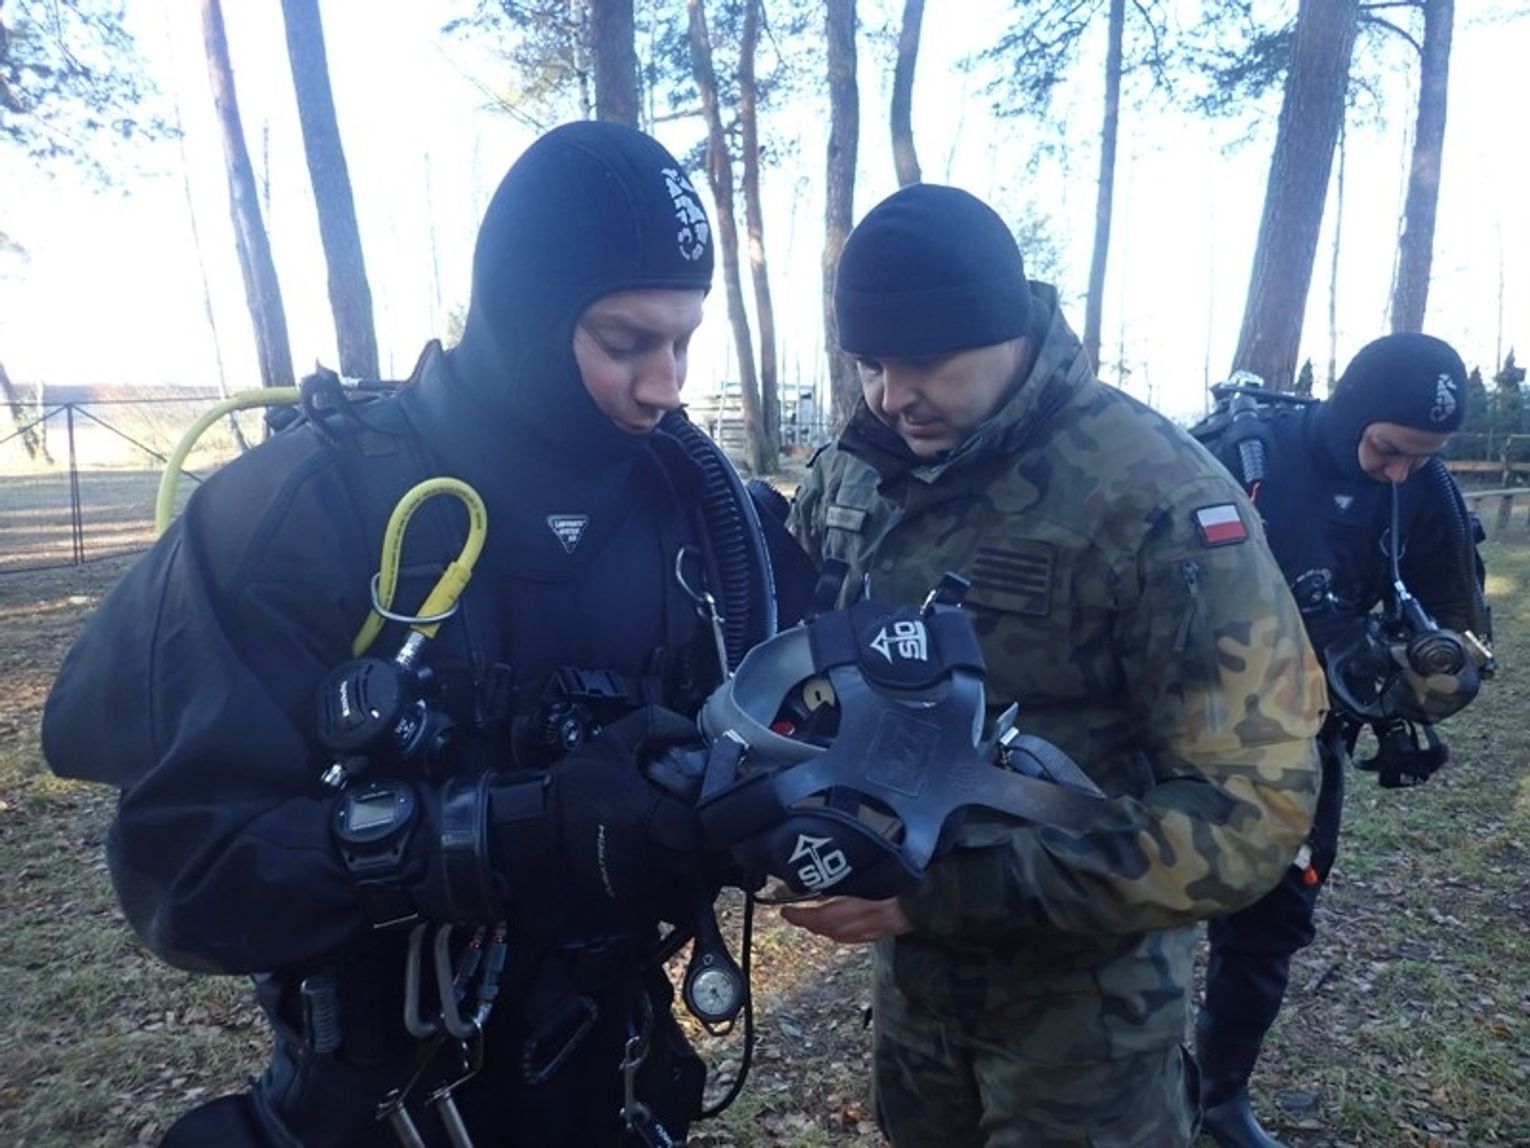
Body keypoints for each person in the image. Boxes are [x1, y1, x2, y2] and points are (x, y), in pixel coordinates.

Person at [42, 121, 813, 1147]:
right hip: (385, 1104)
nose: (665, 385)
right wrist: (504, 833)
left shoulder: (706, 515)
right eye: (627, 342)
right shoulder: (308, 511)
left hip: (621, 1078)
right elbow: (185, 873)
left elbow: (812, 711)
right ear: (526, 317)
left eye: (683, 341)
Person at [780, 182, 1326, 1148]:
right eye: (869, 365)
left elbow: (1251, 813)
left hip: (1085, 1022)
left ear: (1009, 332)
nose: (891, 396)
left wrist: (942, 893)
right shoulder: (863, 464)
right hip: (916, 1005)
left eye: (924, 362)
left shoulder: (1153, 496)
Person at [1190, 333, 1493, 1148]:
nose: (1399, 471)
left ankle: (1219, 1099)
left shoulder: (1421, 486)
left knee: (1273, 920)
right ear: (1352, 412)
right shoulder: (1240, 457)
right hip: (1181, 727)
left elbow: (1457, 617)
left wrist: (1427, 672)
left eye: (1420, 457)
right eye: (1388, 449)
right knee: (1133, 901)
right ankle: (1121, 1080)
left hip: (1307, 739)